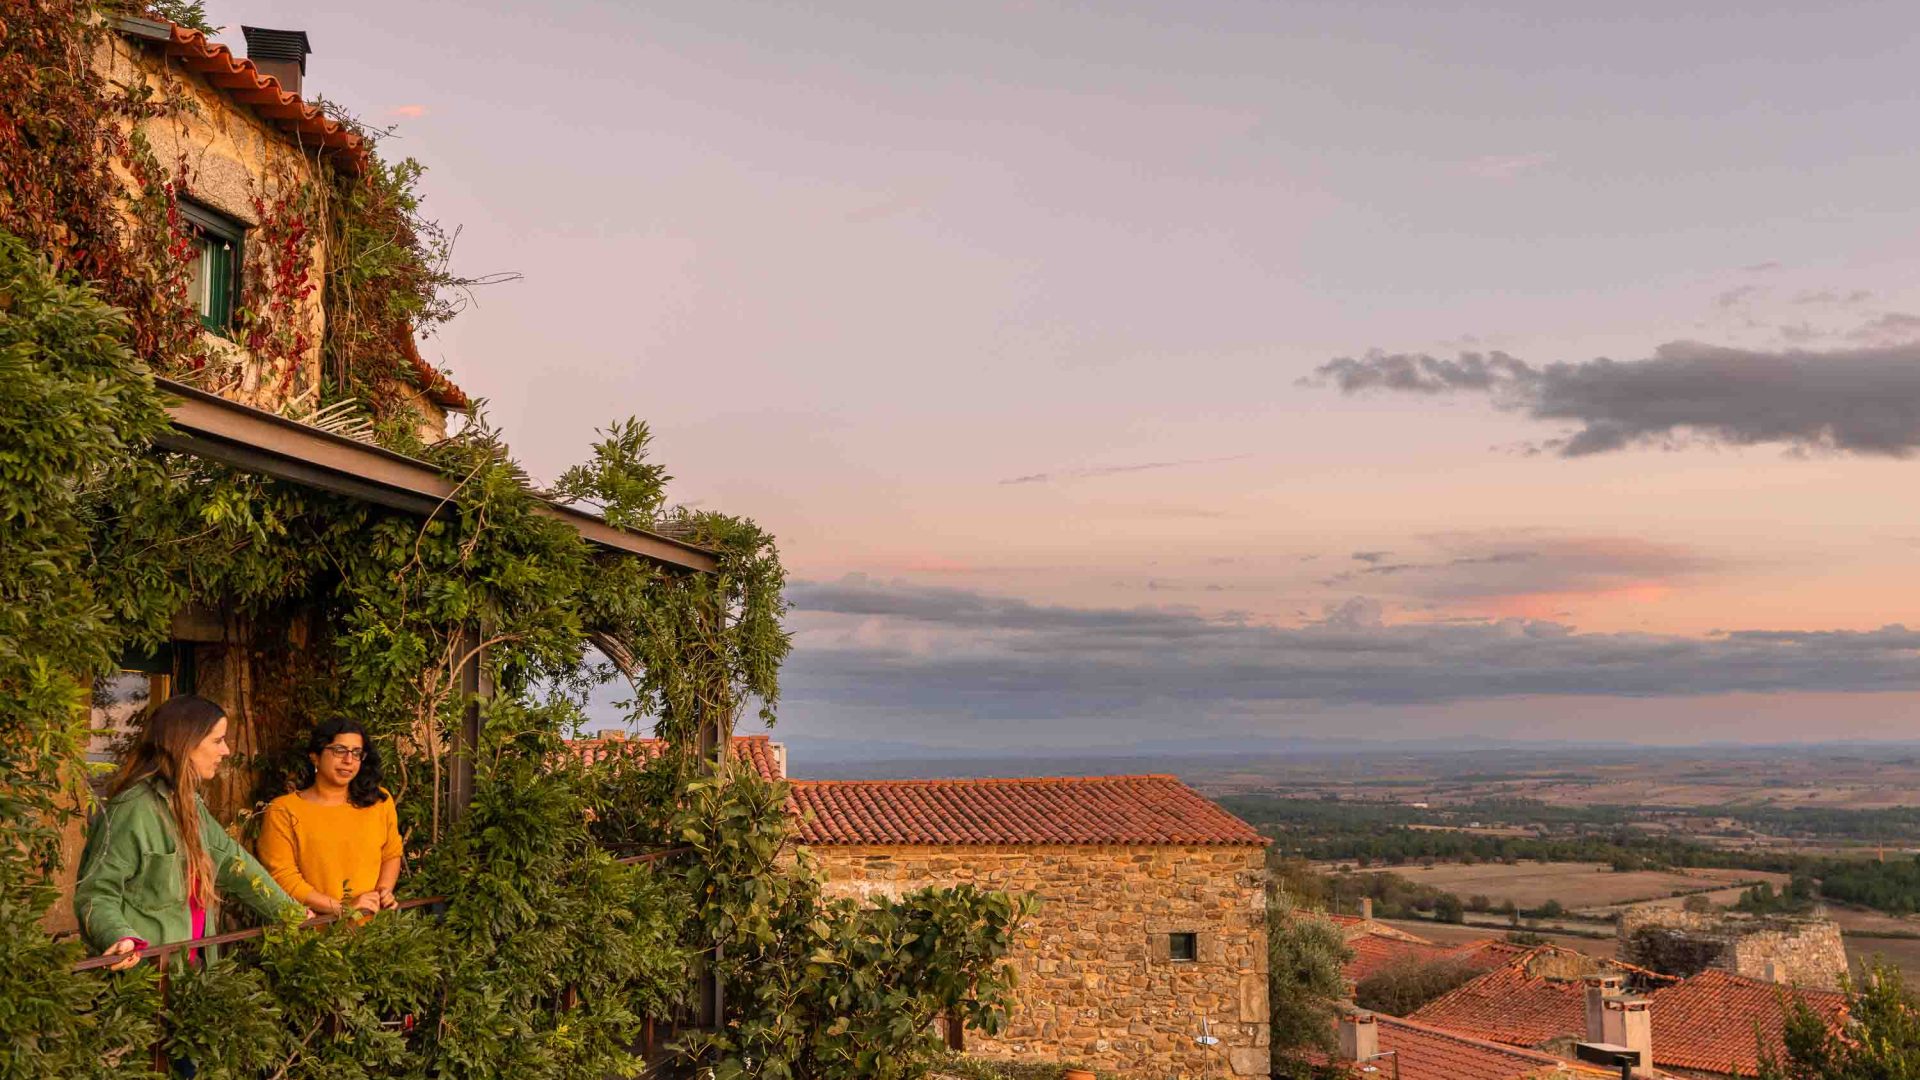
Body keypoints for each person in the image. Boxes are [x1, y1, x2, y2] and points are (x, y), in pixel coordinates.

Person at [76, 694, 305, 969]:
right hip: (145, 979)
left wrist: (291, 914)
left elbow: (236, 865)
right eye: (217, 740)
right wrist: (118, 936)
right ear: (185, 742)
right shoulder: (132, 809)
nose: (227, 751)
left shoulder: (189, 802)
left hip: (190, 971)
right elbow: (96, 892)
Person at [256, 718, 403, 918]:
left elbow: (391, 853)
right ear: (315, 756)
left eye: (356, 753)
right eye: (339, 750)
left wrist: (383, 892)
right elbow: (283, 877)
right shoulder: (284, 810)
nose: (348, 761)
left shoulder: (378, 801)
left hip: (374, 931)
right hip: (315, 936)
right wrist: (342, 909)